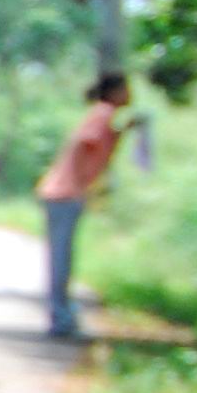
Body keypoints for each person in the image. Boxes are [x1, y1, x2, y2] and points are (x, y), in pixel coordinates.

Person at [34, 74, 130, 341]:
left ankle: (62, 315)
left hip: (63, 193)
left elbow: (99, 148)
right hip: (64, 194)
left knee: (61, 256)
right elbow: (83, 143)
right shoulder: (104, 112)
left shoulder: (104, 116)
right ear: (114, 91)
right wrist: (77, 185)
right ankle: (60, 318)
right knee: (61, 258)